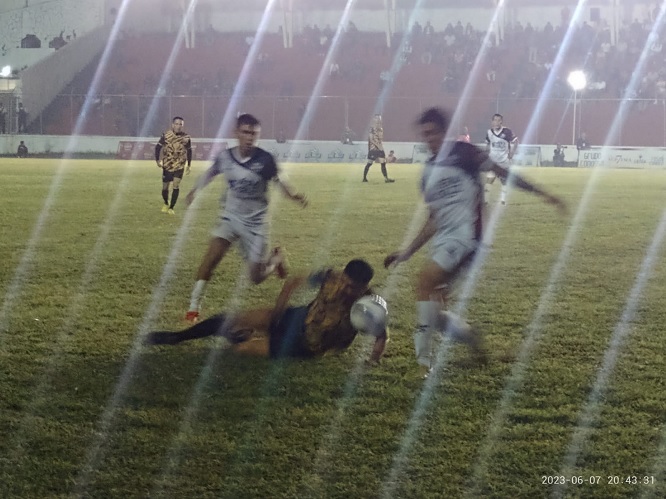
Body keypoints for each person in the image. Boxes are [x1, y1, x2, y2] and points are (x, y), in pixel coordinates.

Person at [384, 107, 566, 378]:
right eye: (425, 134)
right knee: (434, 309)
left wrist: (543, 193)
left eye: (433, 133)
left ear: (445, 132)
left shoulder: (464, 153)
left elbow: (503, 172)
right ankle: (470, 337)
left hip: (470, 237)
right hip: (445, 240)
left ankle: (423, 365)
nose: (429, 139)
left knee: (423, 284)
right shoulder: (427, 173)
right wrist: (407, 252)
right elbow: (434, 219)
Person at [184, 113, 308, 323]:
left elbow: (281, 181)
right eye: (246, 132)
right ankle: (193, 308)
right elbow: (210, 173)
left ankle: (276, 259)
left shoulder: (265, 159)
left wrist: (294, 195)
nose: (250, 138)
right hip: (229, 218)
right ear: (236, 133)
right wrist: (195, 190)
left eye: (254, 134)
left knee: (256, 278)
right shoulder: (225, 157)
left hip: (256, 224)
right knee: (211, 258)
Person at [147, 259, 387, 365]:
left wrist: (373, 360)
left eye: (354, 288)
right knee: (235, 318)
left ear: (364, 286)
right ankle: (177, 337)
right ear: (342, 275)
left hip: (307, 345)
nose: (347, 289)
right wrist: (278, 312)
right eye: (346, 283)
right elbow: (293, 282)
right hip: (299, 317)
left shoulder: (370, 304)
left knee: (242, 349)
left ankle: (243, 336)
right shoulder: (330, 276)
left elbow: (382, 335)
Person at [155, 116, 192, 215]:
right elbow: (157, 147)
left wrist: (189, 164)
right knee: (165, 188)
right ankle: (166, 203)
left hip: (179, 164)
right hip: (168, 164)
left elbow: (189, 151)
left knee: (176, 185)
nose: (178, 126)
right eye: (176, 124)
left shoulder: (186, 137)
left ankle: (171, 207)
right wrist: (157, 160)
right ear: (172, 125)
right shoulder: (166, 135)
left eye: (180, 124)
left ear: (182, 126)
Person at [485, 113, 518, 205]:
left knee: (504, 181)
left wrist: (511, 153)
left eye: (499, 120)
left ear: (501, 122)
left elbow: (516, 142)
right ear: (492, 122)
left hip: (504, 162)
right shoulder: (489, 132)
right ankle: (486, 201)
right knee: (489, 181)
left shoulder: (507, 131)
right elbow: (488, 144)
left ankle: (503, 201)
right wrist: (486, 154)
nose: (497, 122)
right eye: (495, 120)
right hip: (493, 162)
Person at [362, 114, 395, 183]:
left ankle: (386, 179)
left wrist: (381, 147)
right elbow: (371, 139)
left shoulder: (381, 129)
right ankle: (364, 178)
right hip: (373, 149)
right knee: (369, 163)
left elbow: (380, 140)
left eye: (379, 119)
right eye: (377, 119)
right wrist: (378, 146)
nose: (378, 120)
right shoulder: (372, 129)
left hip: (380, 149)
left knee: (383, 163)